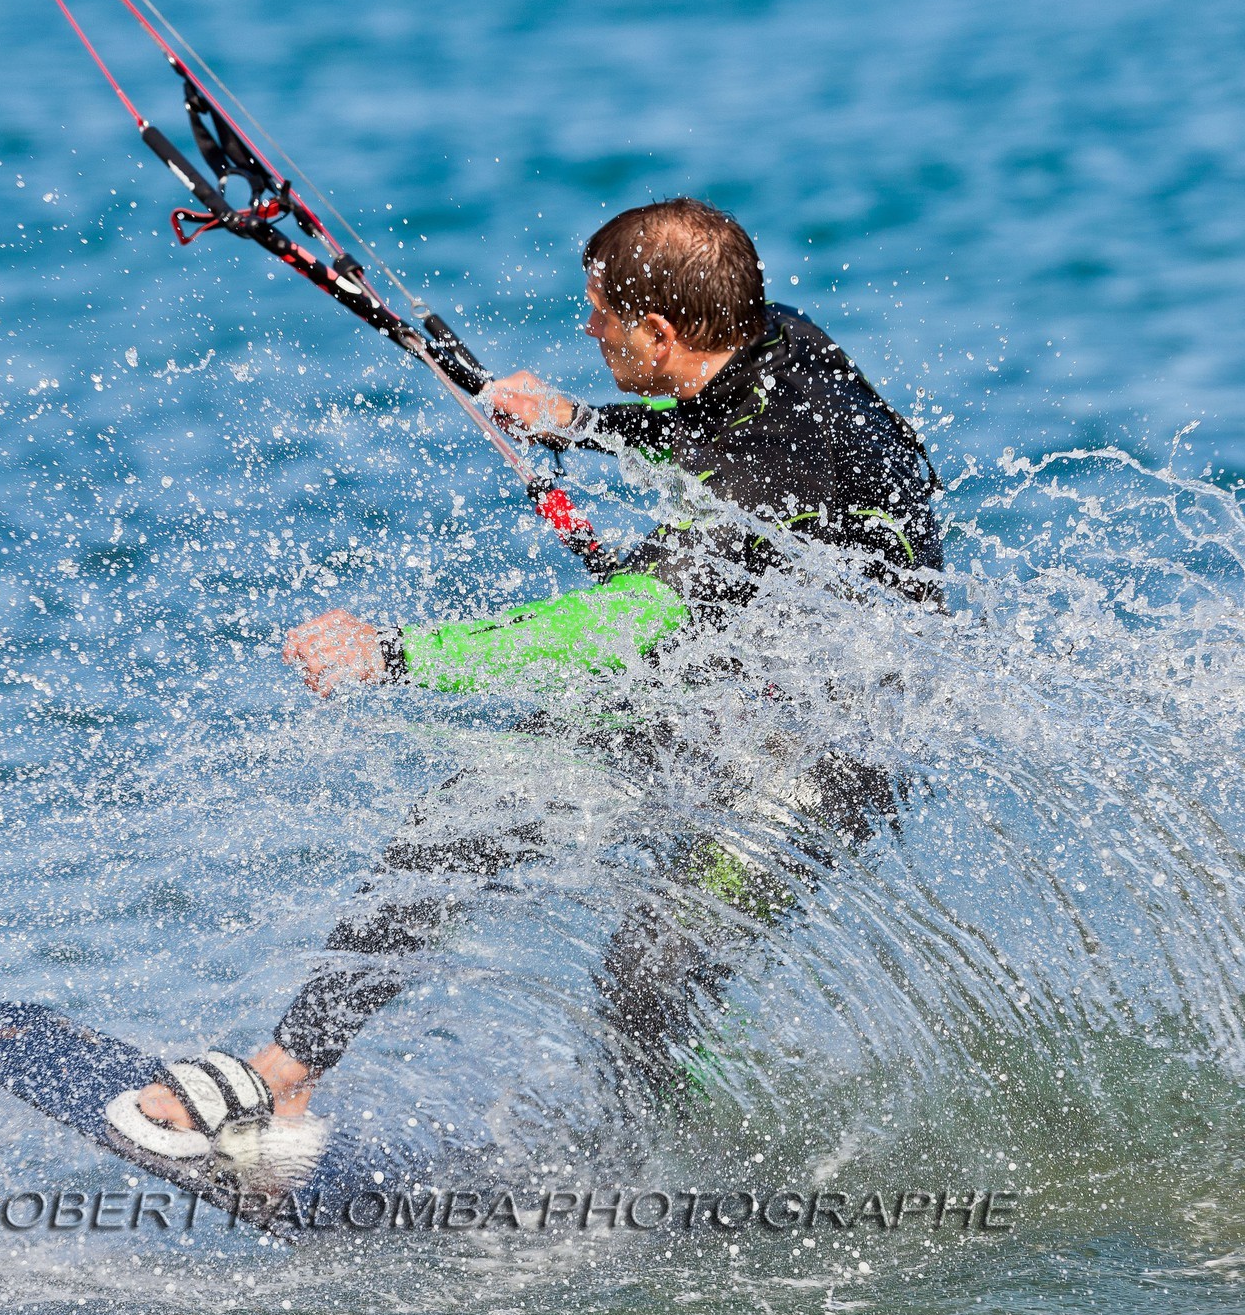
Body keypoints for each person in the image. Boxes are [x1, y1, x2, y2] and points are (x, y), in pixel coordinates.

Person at [120, 198, 941, 1157]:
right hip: (730, 666)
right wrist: (582, 424)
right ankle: (287, 1076)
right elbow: (702, 433)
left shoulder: (768, 462)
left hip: (830, 736)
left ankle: (692, 1166)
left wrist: (395, 653)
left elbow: (622, 625)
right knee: (471, 815)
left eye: (600, 315)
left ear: (661, 330)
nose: (587, 329)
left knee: (649, 978)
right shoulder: (772, 338)